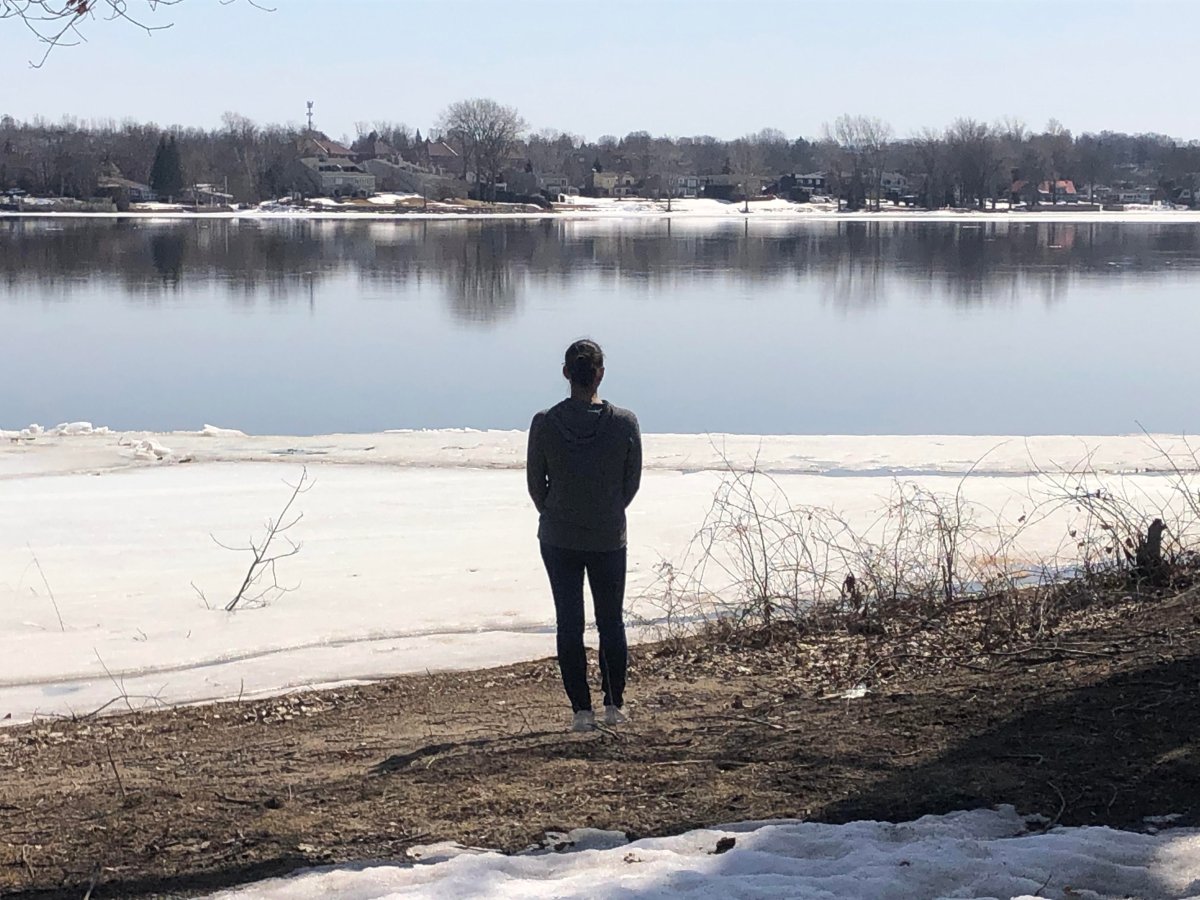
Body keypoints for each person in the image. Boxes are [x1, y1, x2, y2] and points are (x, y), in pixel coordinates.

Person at [526, 339, 642, 732]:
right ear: (600, 374)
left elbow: (535, 484)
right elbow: (631, 482)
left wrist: (558, 511)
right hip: (609, 536)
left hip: (558, 537)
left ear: (565, 374)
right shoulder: (625, 423)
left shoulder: (545, 422)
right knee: (611, 621)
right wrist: (605, 511)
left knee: (569, 622)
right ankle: (614, 703)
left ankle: (581, 711)